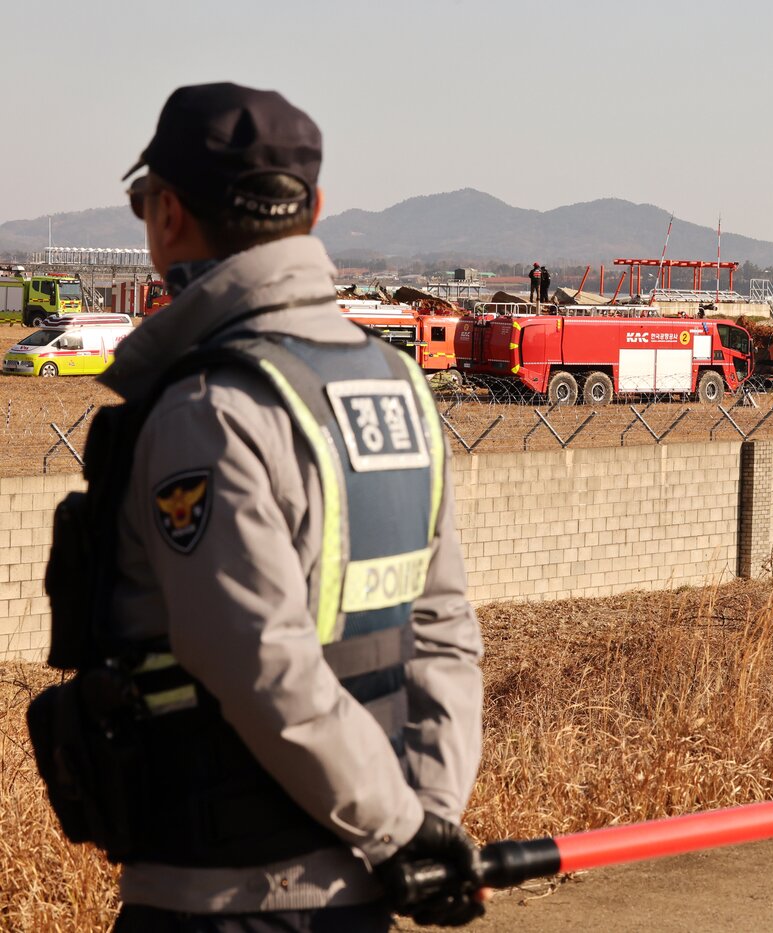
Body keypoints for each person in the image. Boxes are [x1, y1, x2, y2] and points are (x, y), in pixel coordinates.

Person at [30, 84, 484, 931]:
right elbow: (444, 630)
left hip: (224, 897)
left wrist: (403, 832)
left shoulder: (209, 408)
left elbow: (259, 661)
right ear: (315, 210)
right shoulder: (394, 383)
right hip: (357, 893)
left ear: (166, 214)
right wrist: (426, 817)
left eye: (142, 202)